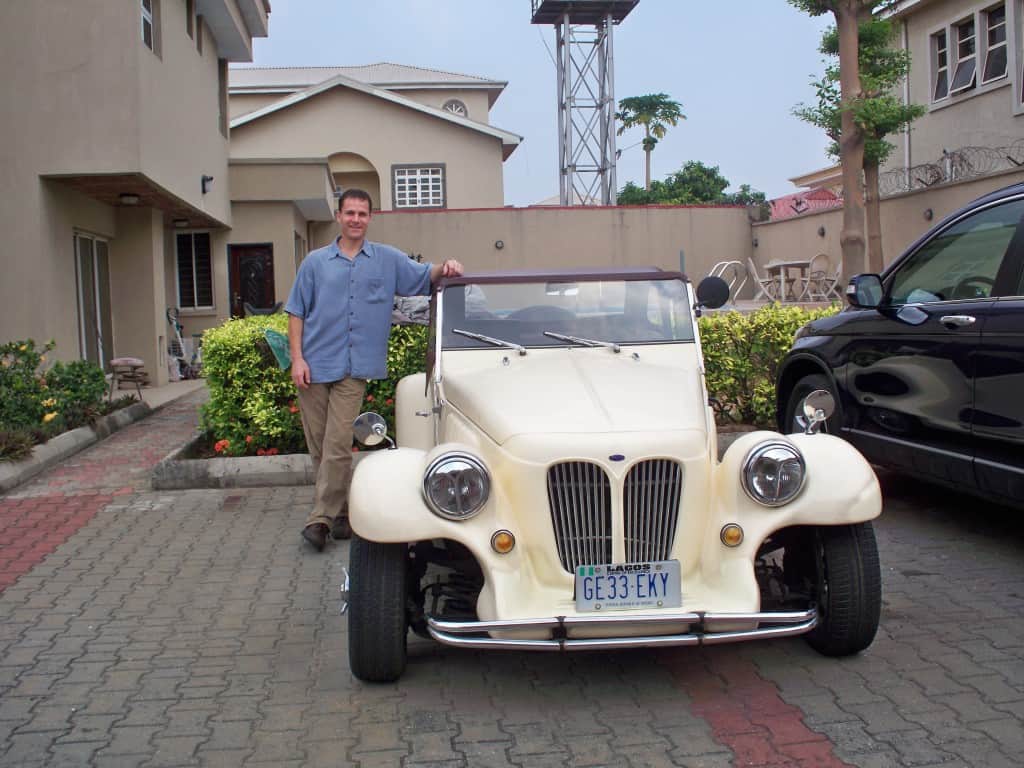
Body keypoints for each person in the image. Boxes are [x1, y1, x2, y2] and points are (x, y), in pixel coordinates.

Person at [285, 188, 463, 552]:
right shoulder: (315, 263)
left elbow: (424, 275)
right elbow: (296, 312)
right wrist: (297, 359)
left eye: (362, 214)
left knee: (336, 443)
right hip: (315, 364)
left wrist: (447, 268)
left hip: (355, 367)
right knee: (319, 448)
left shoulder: (386, 260)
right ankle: (342, 514)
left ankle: (318, 520)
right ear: (339, 216)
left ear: (370, 218)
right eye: (349, 213)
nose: (355, 219)